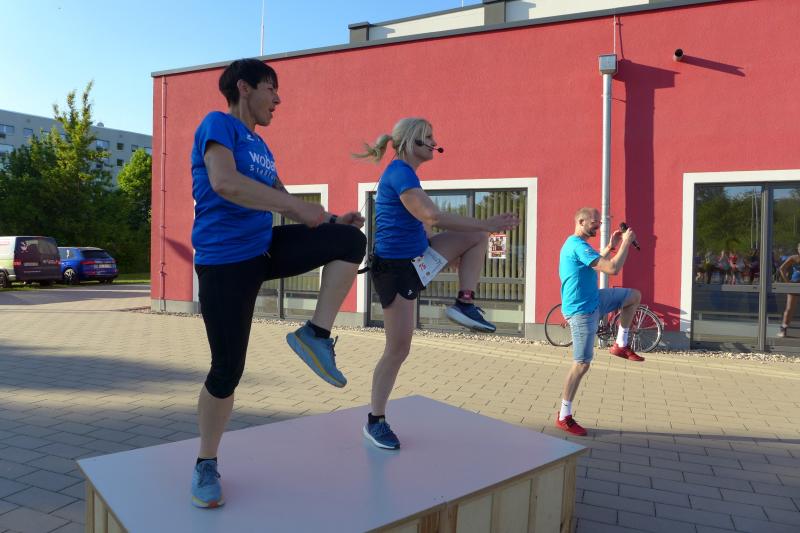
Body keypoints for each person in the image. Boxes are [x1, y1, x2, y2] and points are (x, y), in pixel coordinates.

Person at [189, 58, 367, 508]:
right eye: (272, 88)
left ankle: (315, 335)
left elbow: (285, 199)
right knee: (226, 371)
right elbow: (224, 182)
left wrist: (330, 219)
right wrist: (295, 210)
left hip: (263, 248)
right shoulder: (218, 125)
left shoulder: (261, 147)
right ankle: (206, 462)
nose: (278, 99)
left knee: (349, 241)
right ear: (244, 88)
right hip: (225, 262)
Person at [354, 117, 519, 449]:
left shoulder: (408, 175)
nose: (434, 142)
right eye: (428, 137)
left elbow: (422, 225)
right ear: (412, 141)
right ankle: (375, 421)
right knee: (398, 349)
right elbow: (431, 215)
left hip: (417, 258)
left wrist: (450, 252)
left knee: (476, 237)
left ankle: (464, 304)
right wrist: (487, 222)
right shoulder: (400, 172)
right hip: (396, 270)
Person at [555, 207, 643, 437]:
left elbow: (595, 261)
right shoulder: (576, 245)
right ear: (581, 221)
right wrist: (626, 243)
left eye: (599, 222)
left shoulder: (580, 245)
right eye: (594, 222)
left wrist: (612, 245)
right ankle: (563, 416)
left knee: (633, 296)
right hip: (582, 312)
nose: (598, 225)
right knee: (581, 364)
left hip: (595, 300)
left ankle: (621, 344)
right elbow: (612, 268)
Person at [777, 243, 800, 337]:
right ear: (798, 249)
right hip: (795, 285)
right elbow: (782, 268)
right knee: (790, 308)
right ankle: (783, 329)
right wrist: (787, 282)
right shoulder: (794, 258)